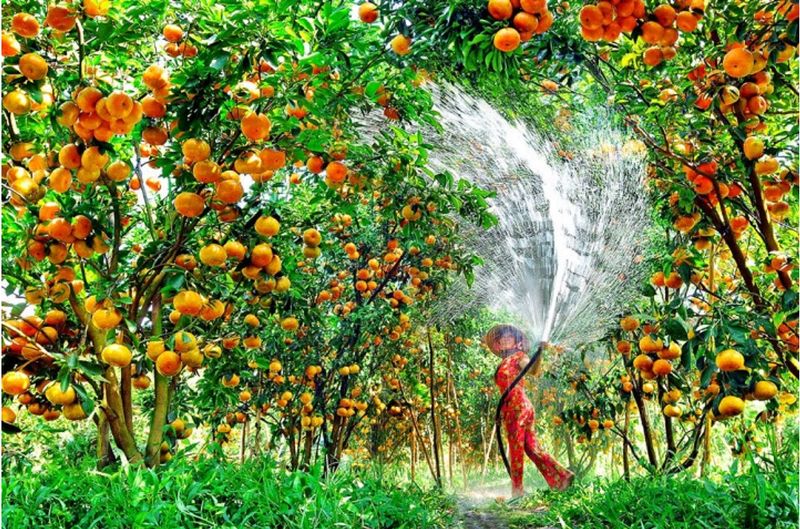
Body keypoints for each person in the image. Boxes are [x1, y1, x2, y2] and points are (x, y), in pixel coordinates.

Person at [485, 324, 574, 497]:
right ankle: (562, 476)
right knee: (532, 449)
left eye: (509, 337)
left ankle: (517, 492)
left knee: (516, 449)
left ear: (517, 342)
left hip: (518, 408)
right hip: (512, 409)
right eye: (502, 337)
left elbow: (532, 370)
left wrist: (539, 353)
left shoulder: (519, 356)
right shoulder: (504, 362)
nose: (504, 339)